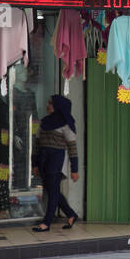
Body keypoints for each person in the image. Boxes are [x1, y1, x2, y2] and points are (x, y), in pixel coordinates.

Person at [31, 94, 79, 231]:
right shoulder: (44, 122)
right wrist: (35, 163)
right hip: (44, 160)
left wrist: (74, 170)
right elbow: (37, 144)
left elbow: (72, 148)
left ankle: (46, 223)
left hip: (57, 160)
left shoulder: (66, 124)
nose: (48, 105)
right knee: (52, 190)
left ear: (58, 106)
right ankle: (71, 214)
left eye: (51, 103)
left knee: (52, 191)